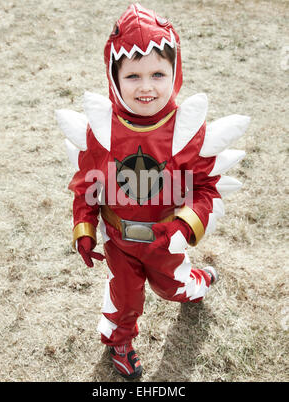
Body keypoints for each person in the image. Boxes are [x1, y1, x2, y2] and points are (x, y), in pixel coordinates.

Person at [56, 3, 250, 379]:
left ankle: (197, 282)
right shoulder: (102, 131)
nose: (146, 87)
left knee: (174, 288)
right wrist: (84, 227)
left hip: (165, 243)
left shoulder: (187, 131)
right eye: (133, 76)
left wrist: (178, 229)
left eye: (158, 73)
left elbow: (205, 188)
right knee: (124, 298)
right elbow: (86, 184)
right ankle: (121, 342)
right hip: (120, 241)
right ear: (114, 78)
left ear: (175, 74)